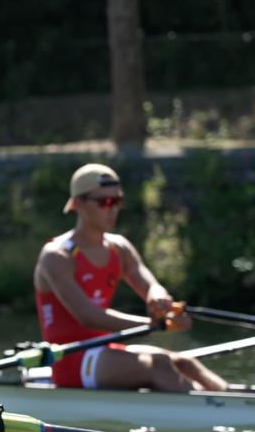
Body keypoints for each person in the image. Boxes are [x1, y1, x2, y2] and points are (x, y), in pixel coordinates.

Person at [33, 163, 228, 392]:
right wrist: (154, 325)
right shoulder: (57, 255)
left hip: (105, 351)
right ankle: (216, 409)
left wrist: (159, 300)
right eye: (104, 202)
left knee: (184, 363)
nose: (112, 209)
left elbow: (150, 285)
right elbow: (88, 317)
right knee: (158, 365)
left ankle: (236, 397)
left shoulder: (119, 247)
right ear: (78, 204)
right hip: (70, 358)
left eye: (117, 202)